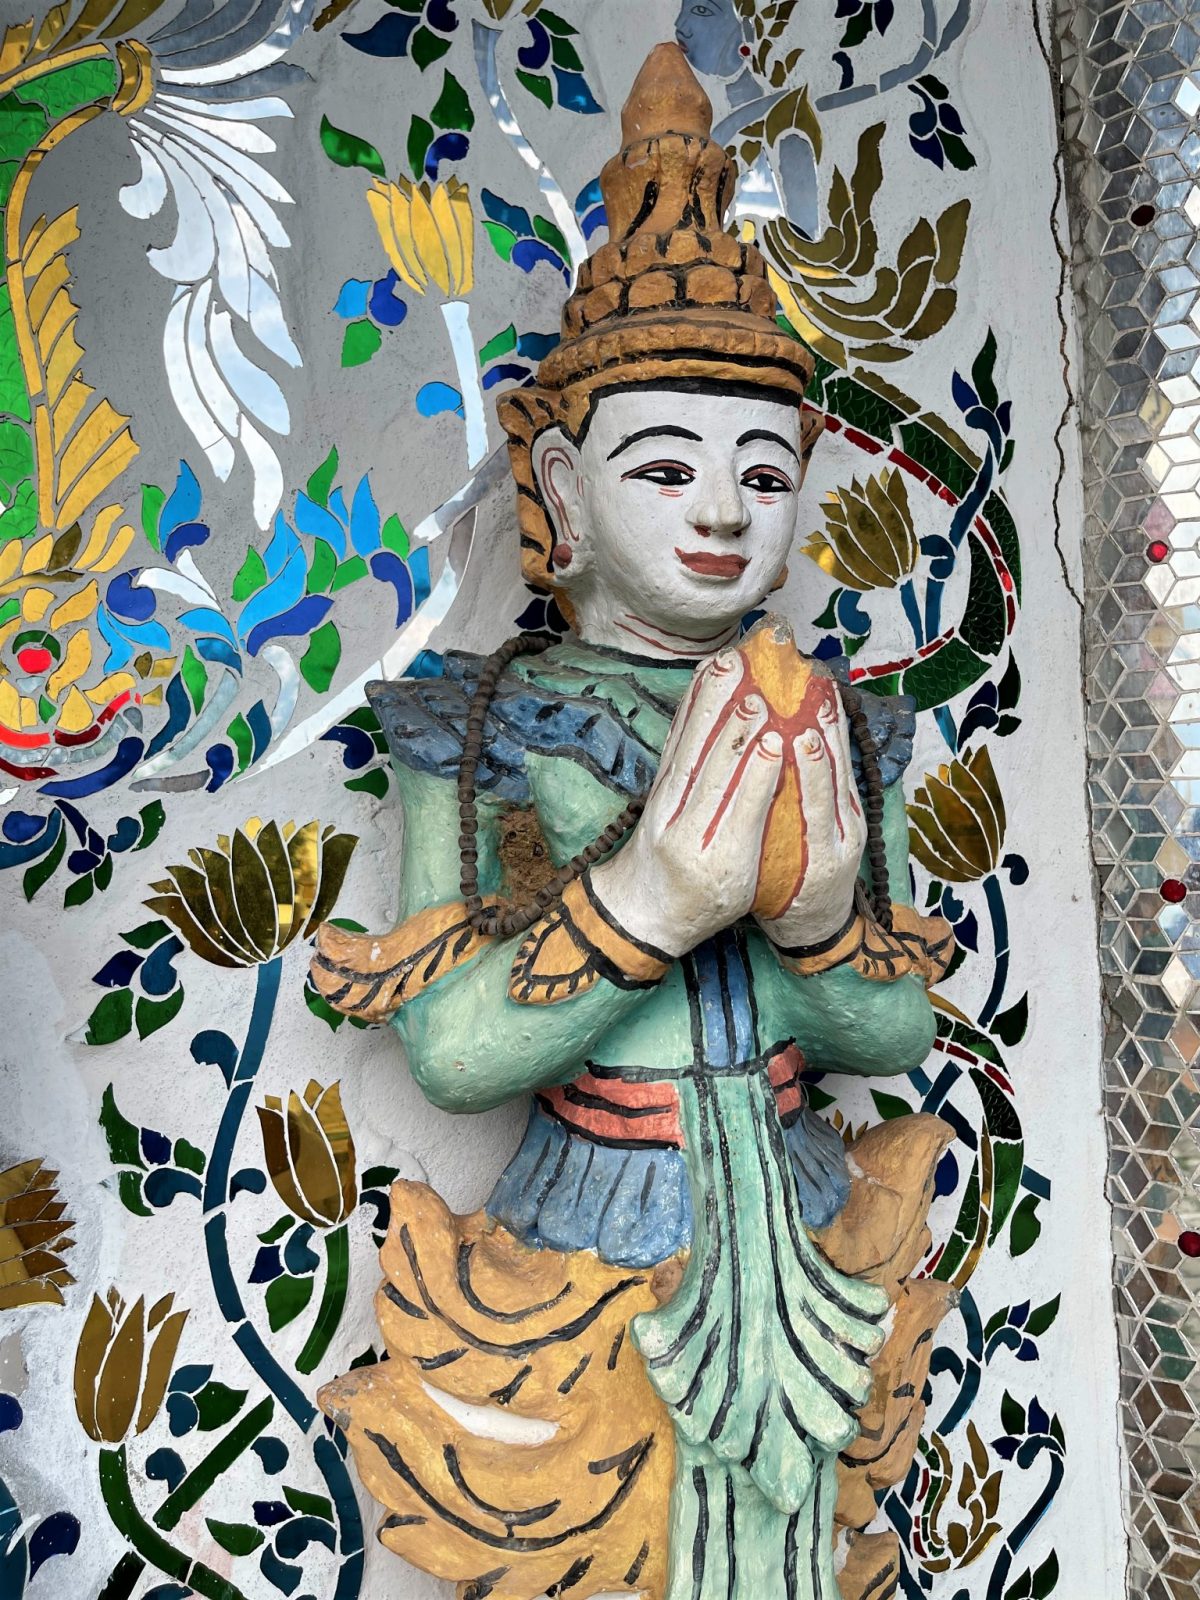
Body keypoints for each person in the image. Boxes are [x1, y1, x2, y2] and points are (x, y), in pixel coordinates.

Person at [313, 43, 951, 1600]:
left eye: (761, 471)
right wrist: (649, 904)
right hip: (594, 1219)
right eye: (664, 465)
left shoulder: (844, 722)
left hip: (800, 1213)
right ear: (559, 479)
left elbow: (891, 1031)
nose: (722, 511)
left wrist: (816, 920)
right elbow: (456, 1051)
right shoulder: (478, 720)